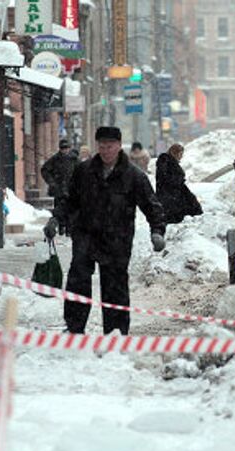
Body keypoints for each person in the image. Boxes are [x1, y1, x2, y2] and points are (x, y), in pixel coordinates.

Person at [62, 126, 166, 335]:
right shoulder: (84, 171)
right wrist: (56, 219)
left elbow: (151, 205)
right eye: (101, 146)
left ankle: (115, 332)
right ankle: (74, 328)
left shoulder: (133, 175)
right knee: (78, 281)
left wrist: (157, 231)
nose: (106, 150)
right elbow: (69, 200)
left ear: (119, 146)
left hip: (117, 238)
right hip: (86, 235)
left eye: (110, 146)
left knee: (115, 286)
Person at [155, 143, 203, 224]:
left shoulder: (170, 162)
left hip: (174, 194)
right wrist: (178, 180)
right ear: (174, 153)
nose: (181, 156)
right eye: (180, 154)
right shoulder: (165, 162)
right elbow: (165, 179)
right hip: (169, 196)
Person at [41, 138, 79, 235]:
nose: (64, 150)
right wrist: (52, 182)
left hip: (72, 189)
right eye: (63, 148)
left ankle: (69, 229)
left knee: (71, 210)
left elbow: (82, 171)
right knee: (59, 210)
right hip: (59, 189)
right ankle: (61, 227)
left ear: (69, 148)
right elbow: (45, 170)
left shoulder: (74, 159)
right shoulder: (55, 159)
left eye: (66, 148)